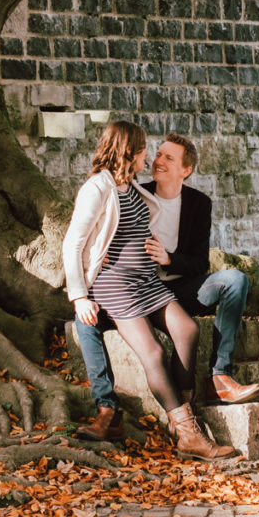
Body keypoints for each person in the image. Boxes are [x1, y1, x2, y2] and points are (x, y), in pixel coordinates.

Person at [62, 121, 234, 461]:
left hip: (146, 281)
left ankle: (180, 407)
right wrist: (79, 295)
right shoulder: (98, 187)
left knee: (186, 329)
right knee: (153, 352)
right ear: (129, 152)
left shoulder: (129, 186)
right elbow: (73, 242)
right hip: (116, 285)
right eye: (143, 150)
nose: (148, 156)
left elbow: (130, 226)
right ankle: (187, 432)